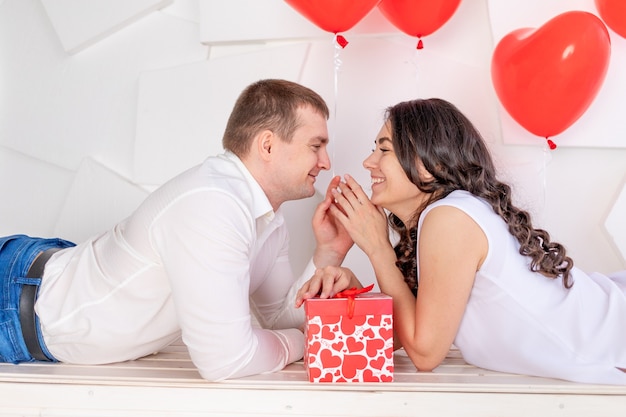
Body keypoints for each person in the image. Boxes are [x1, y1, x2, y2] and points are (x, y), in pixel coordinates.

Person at [0, 79, 353, 381]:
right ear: (267, 145)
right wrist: (305, 342)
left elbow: (277, 319)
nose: (326, 162)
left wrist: (328, 253)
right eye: (316, 146)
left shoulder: (267, 219)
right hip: (16, 302)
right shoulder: (214, 203)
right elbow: (225, 359)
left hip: (44, 292)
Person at [296, 97, 626, 385]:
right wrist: (356, 290)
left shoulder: (450, 218)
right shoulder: (448, 215)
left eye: (384, 149)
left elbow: (425, 352)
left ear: (431, 165)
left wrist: (377, 247)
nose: (369, 162)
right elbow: (404, 331)